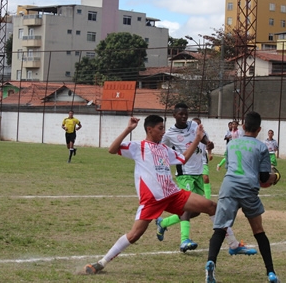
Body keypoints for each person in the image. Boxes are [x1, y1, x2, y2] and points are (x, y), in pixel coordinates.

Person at [84, 115, 217, 275]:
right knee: (134, 235)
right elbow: (112, 149)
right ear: (150, 129)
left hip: (173, 194)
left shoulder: (164, 149)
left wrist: (197, 138)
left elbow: (183, 158)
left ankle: (233, 244)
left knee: (210, 206)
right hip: (152, 200)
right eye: (160, 128)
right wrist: (128, 129)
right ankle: (101, 263)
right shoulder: (138, 147)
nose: (163, 132)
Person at [156, 104, 256, 256]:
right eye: (181, 114)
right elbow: (159, 150)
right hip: (184, 174)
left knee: (195, 211)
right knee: (187, 208)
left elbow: (203, 138)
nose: (184, 116)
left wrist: (208, 143)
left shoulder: (194, 125)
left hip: (198, 172)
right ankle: (185, 240)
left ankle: (163, 223)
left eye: (186, 114)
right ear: (174, 115)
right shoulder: (169, 134)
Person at [205, 111, 280, 283]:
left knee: (220, 228)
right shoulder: (262, 147)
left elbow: (230, 167)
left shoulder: (232, 145)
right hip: (248, 189)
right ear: (259, 129)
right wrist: (275, 177)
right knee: (259, 231)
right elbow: (263, 178)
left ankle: (211, 262)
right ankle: (271, 273)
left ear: (243, 127)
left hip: (229, 186)